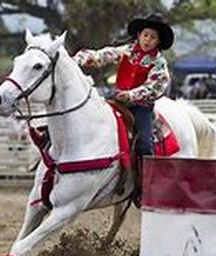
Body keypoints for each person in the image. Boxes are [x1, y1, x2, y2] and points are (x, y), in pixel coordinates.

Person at [73, 14, 174, 160]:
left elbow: (156, 86)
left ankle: (146, 177)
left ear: (158, 42)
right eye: (145, 35)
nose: (147, 40)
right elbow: (104, 55)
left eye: (153, 37)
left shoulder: (159, 62)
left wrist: (131, 95)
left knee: (145, 143)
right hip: (118, 100)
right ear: (139, 35)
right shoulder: (126, 51)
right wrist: (80, 59)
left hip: (141, 106)